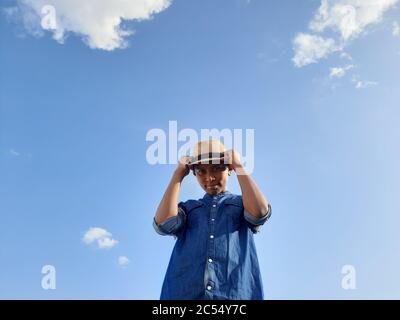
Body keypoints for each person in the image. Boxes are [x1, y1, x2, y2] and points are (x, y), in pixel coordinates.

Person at [153, 140, 272, 299]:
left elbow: (259, 212)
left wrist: (239, 166)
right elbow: (163, 223)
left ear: (229, 169)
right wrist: (178, 173)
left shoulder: (242, 203)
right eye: (201, 171)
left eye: (217, 168)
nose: (209, 177)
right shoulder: (189, 208)